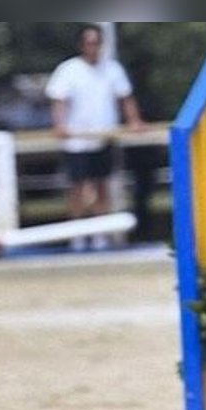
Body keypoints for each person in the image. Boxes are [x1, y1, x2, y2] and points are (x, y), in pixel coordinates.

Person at [45, 24, 143, 250]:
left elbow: (125, 97)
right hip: (76, 140)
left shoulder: (112, 69)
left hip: (104, 137)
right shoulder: (68, 69)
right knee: (77, 189)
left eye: (96, 42)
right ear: (81, 45)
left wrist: (134, 121)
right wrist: (59, 125)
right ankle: (77, 236)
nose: (93, 47)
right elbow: (58, 100)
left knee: (102, 186)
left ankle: (100, 235)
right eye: (89, 42)